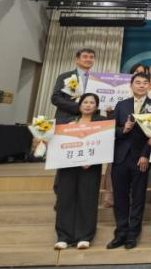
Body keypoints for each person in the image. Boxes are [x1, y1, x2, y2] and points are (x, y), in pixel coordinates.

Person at [107, 73, 151, 250]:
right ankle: (120, 233)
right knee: (120, 196)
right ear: (131, 85)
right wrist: (123, 129)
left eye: (145, 83)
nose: (141, 85)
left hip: (141, 158)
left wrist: (146, 154)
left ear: (149, 86)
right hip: (120, 157)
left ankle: (133, 234)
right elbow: (111, 129)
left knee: (138, 197)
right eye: (137, 82)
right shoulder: (121, 105)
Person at [53, 93, 105, 250]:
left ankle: (84, 236)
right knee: (65, 198)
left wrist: (92, 158)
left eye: (92, 103)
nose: (88, 105)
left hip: (90, 166)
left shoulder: (102, 122)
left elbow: (106, 143)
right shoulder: (67, 121)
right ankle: (64, 236)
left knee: (87, 199)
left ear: (96, 107)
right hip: (67, 166)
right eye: (85, 102)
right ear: (79, 104)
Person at [51, 48, 96, 122]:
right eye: (85, 57)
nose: (88, 59)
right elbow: (55, 98)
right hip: (66, 118)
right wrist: (78, 107)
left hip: (90, 120)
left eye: (91, 57)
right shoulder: (65, 76)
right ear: (77, 60)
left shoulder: (97, 79)